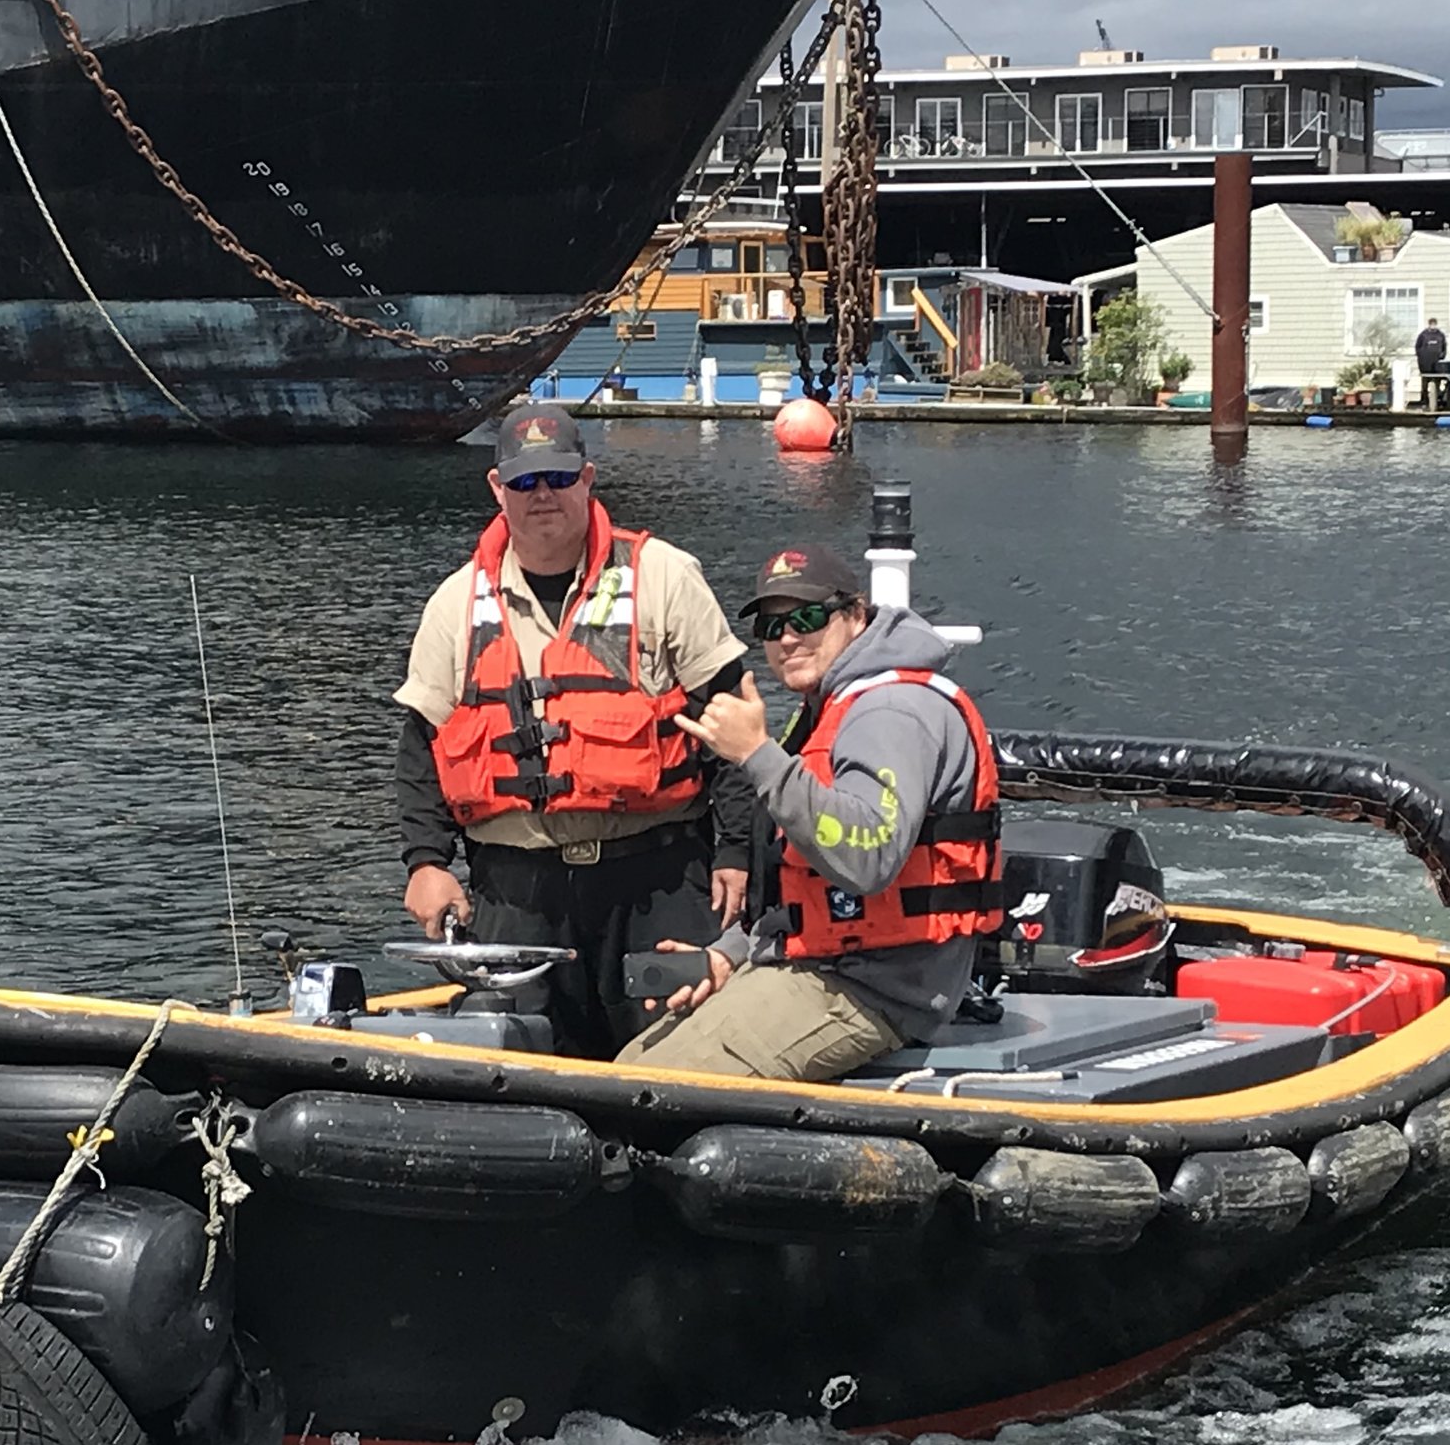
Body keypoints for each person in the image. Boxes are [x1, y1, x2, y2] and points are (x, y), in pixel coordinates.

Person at [394, 407, 756, 1055]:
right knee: (517, 1062)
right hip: (513, 888)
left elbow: (731, 722)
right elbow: (421, 746)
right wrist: (426, 862)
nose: (543, 496)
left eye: (558, 477)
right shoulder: (456, 603)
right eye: (526, 482)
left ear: (587, 478)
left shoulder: (664, 577)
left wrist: (737, 852)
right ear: (498, 487)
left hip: (659, 878)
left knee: (679, 1059)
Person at [615, 542, 1001, 1083]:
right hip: (815, 963)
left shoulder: (892, 711)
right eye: (772, 629)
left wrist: (757, 754)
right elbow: (794, 886)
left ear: (855, 615)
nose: (788, 639)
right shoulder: (825, 712)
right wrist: (728, 953)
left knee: (651, 1087)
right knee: (628, 1068)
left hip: (879, 988)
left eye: (807, 617)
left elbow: (868, 859)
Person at [1413, 317, 1450, 411]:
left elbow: (1444, 347)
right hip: (1425, 363)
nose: (1433, 326)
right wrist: (1421, 357)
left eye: (1434, 324)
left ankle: (1437, 399)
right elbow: (1417, 347)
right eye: (1431, 324)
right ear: (1429, 324)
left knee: (1437, 381)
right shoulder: (1423, 335)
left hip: (1437, 363)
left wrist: (1442, 356)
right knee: (1425, 382)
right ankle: (1424, 400)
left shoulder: (1440, 335)